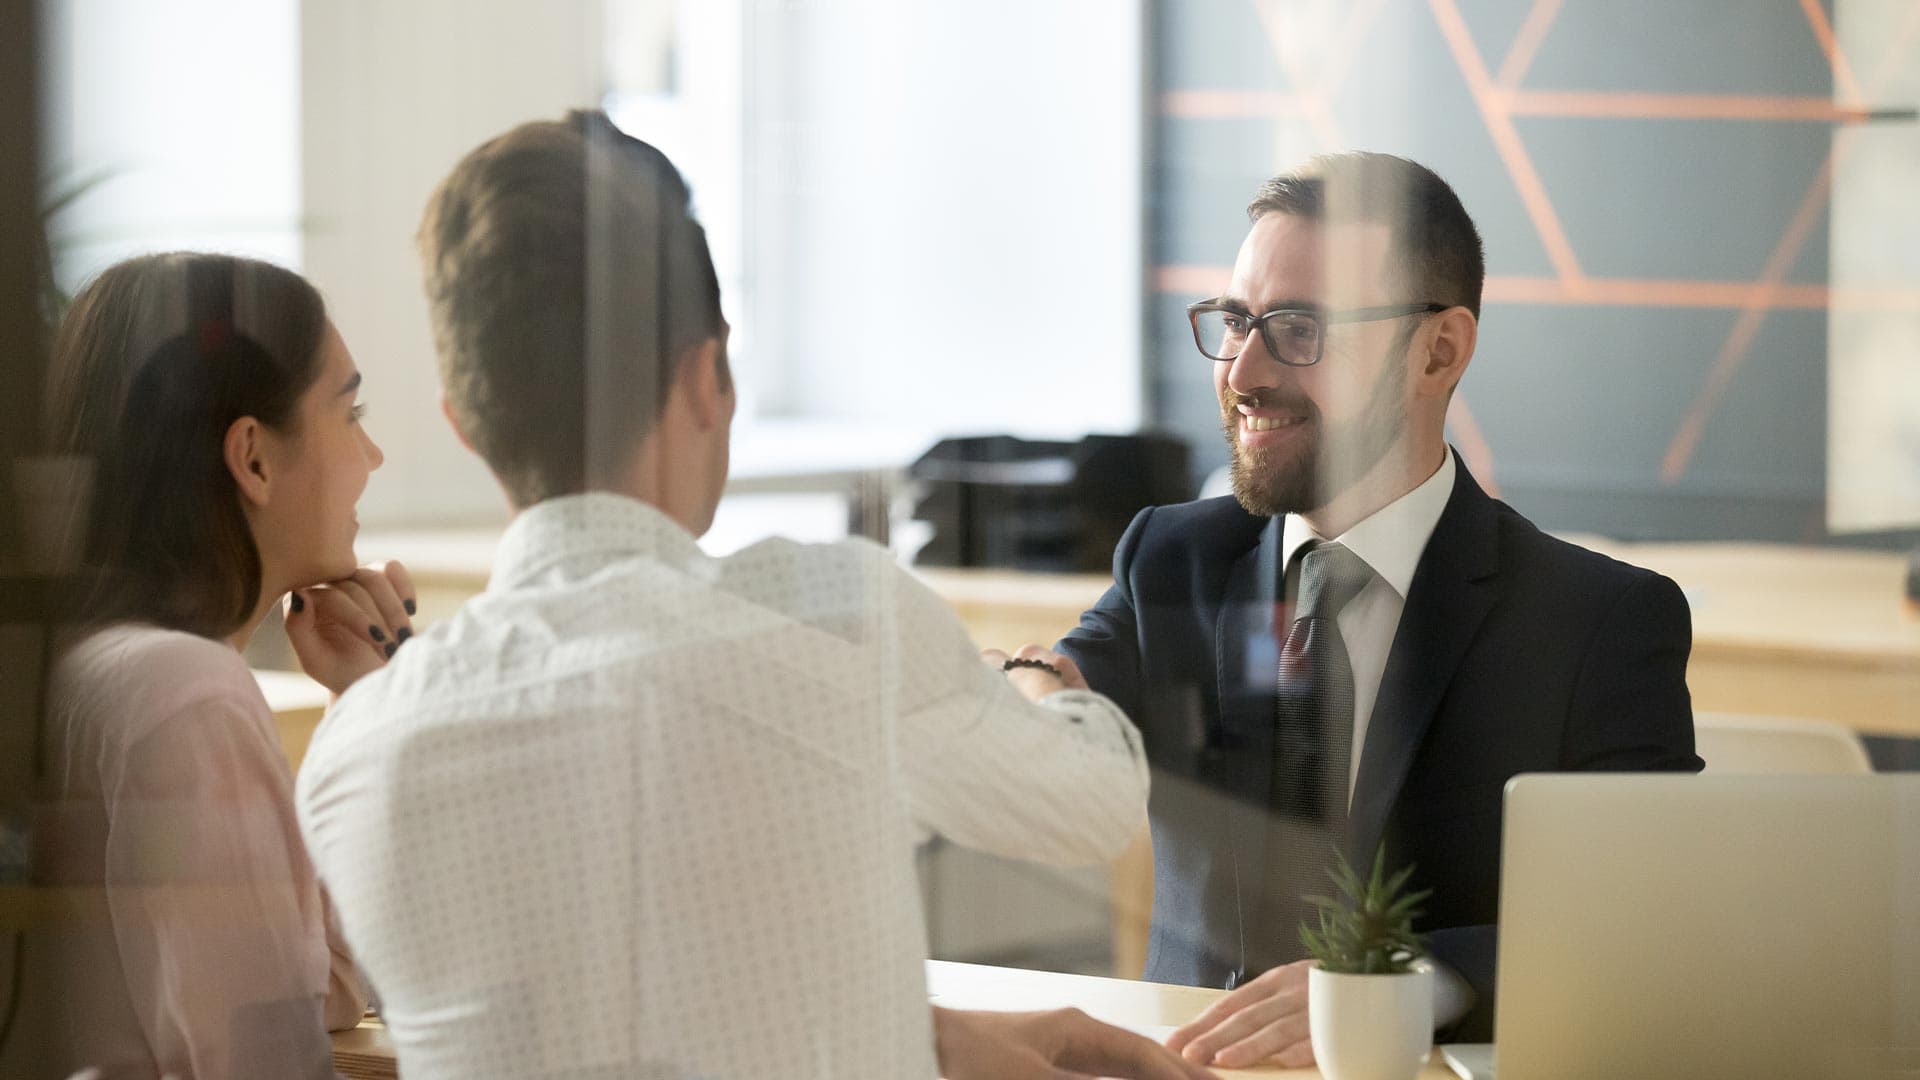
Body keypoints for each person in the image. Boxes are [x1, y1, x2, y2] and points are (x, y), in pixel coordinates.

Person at [294, 111, 1208, 1080]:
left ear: (465, 426)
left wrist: (928, 1035)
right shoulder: (835, 615)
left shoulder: (352, 755)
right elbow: (1095, 807)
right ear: (706, 376)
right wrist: (1035, 677)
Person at [1052, 152, 1701, 1068]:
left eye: (1300, 329)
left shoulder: (1598, 621)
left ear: (1439, 350)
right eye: (1237, 321)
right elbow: (1069, 687)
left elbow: (1647, 919)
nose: (1242, 371)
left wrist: (1403, 982)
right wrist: (1033, 688)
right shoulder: (1173, 558)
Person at [13, 253, 414, 1078]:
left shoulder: (95, 662)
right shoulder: (185, 692)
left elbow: (322, 987)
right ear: (254, 459)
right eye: (350, 411)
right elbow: (265, 1060)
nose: (372, 456)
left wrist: (361, 701)